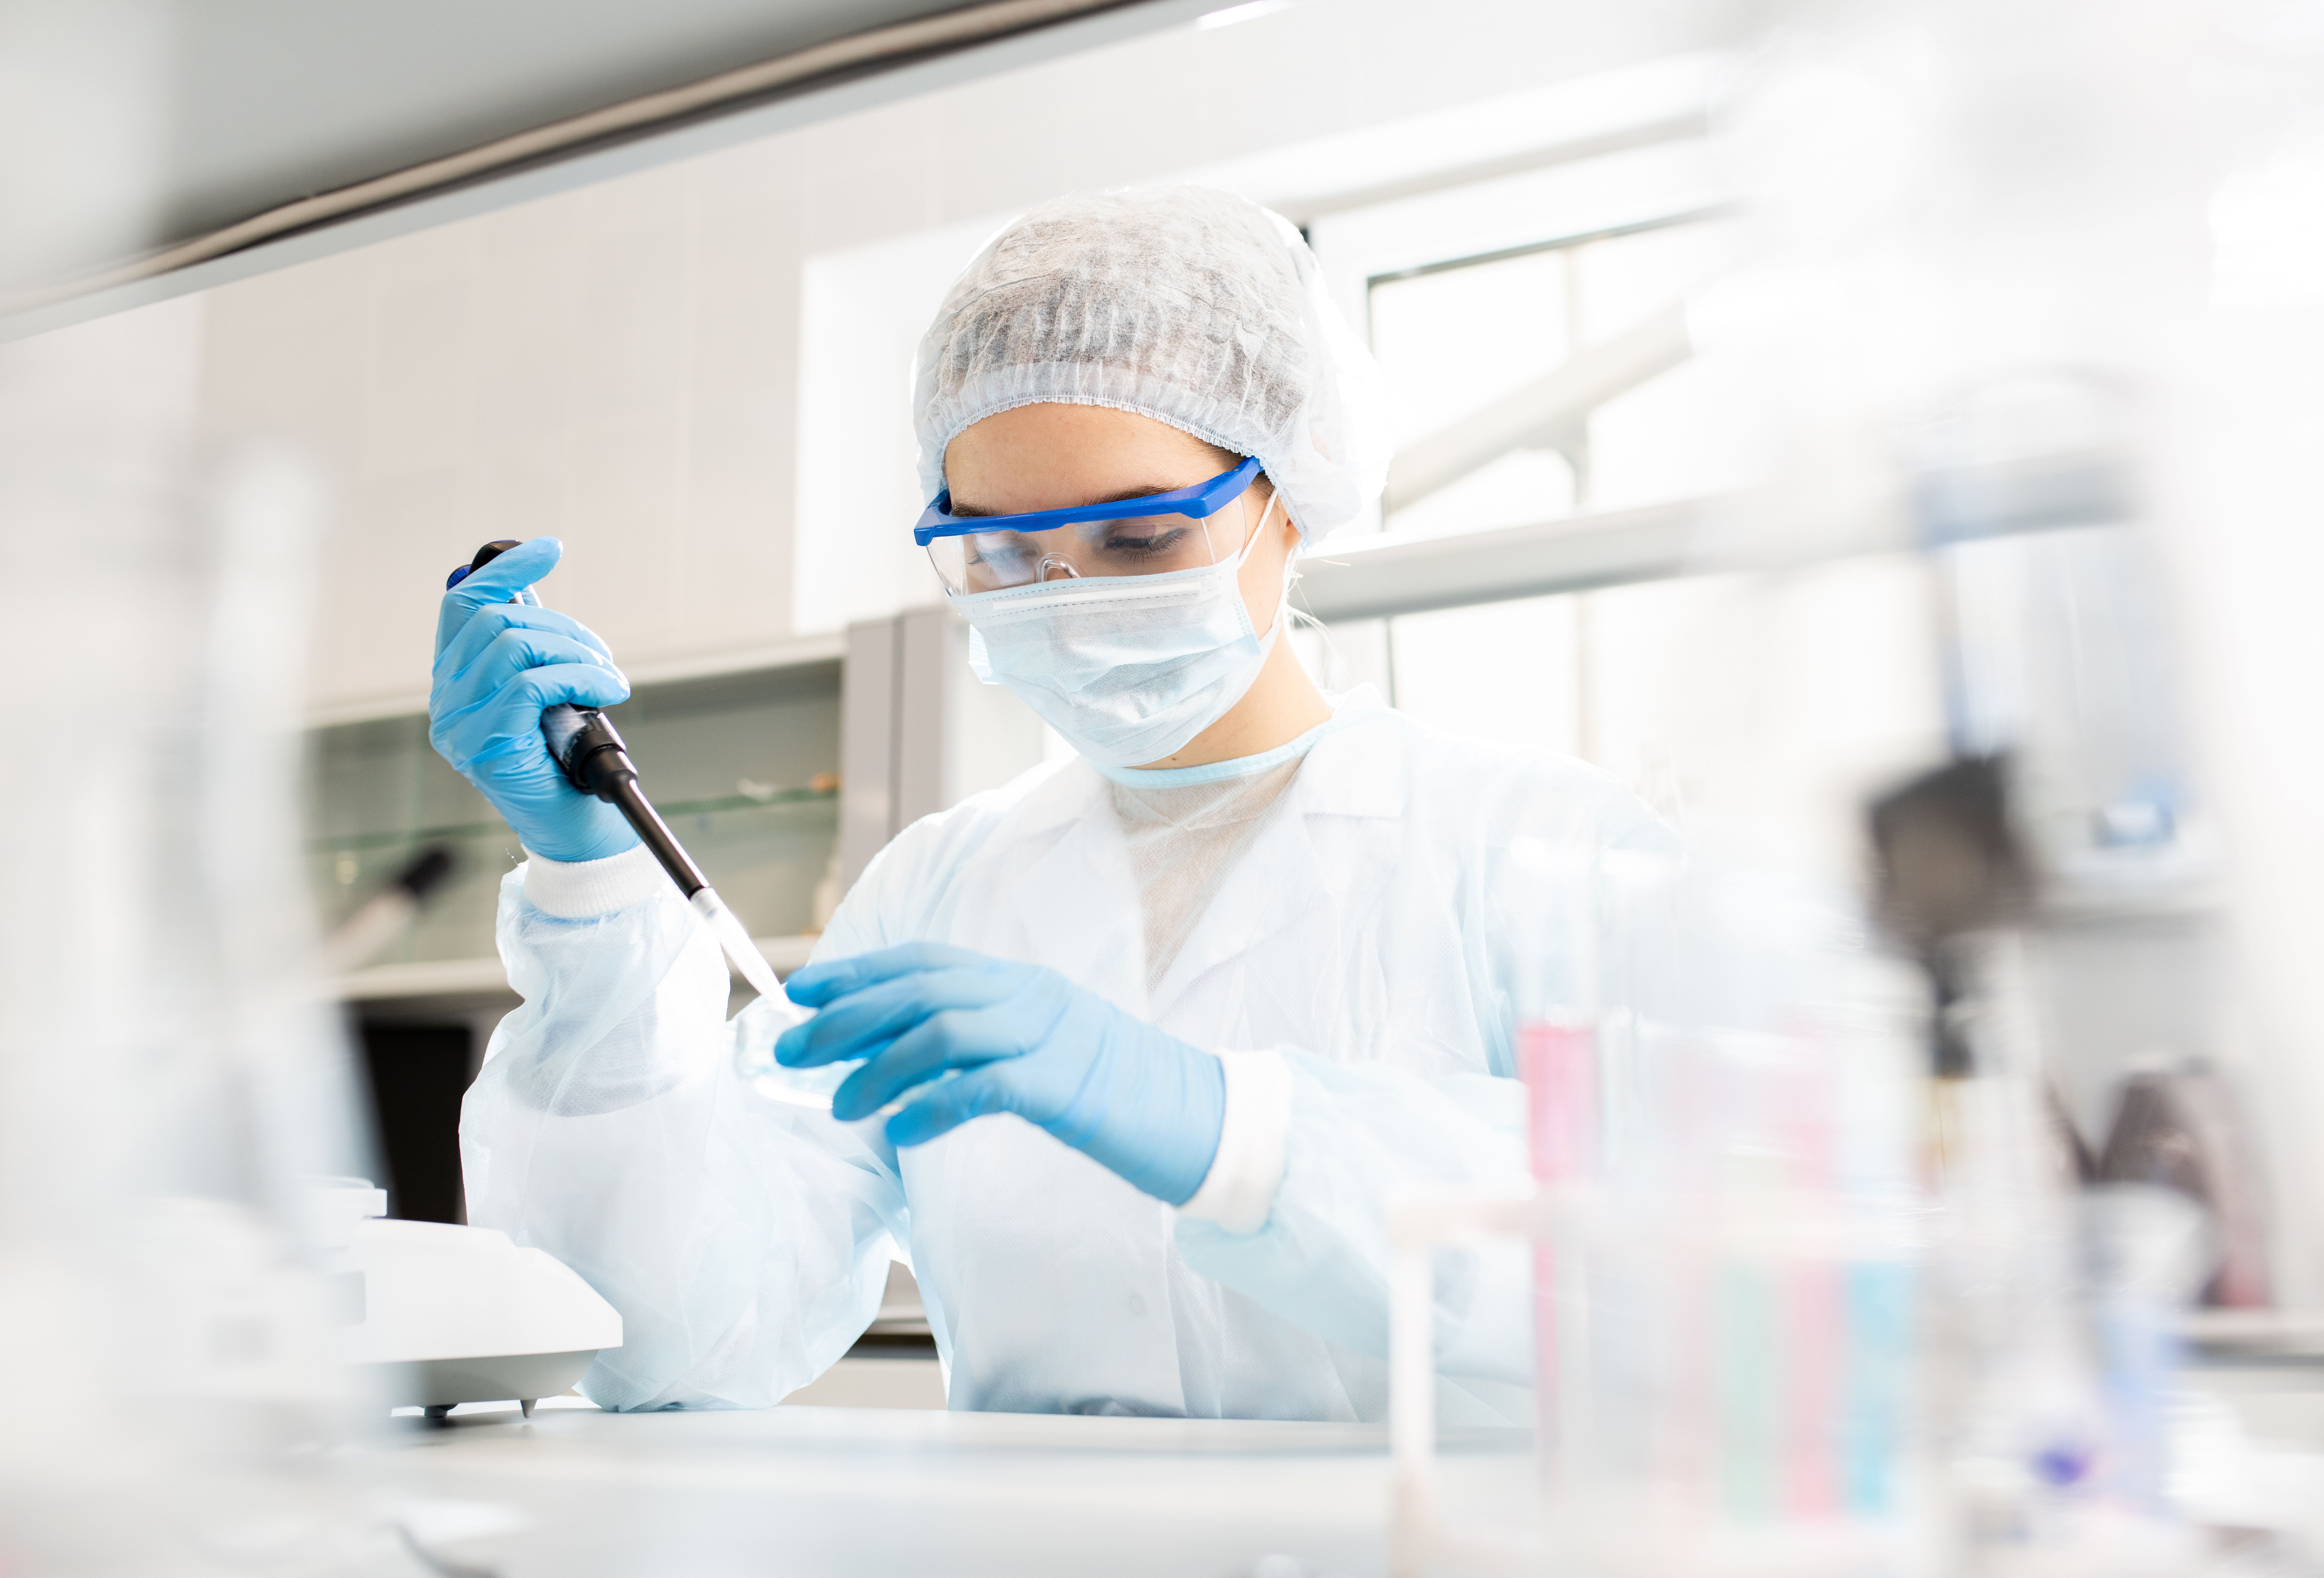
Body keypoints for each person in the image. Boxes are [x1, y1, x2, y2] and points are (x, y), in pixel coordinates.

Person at [432, 186, 1672, 1422]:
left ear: (1290, 494)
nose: (1070, 600)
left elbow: (1695, 1278)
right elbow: (662, 1342)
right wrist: (590, 887)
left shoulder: (1538, 854)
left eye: (1137, 540)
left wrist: (1238, 1134)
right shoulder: (936, 891)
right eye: (1005, 558)